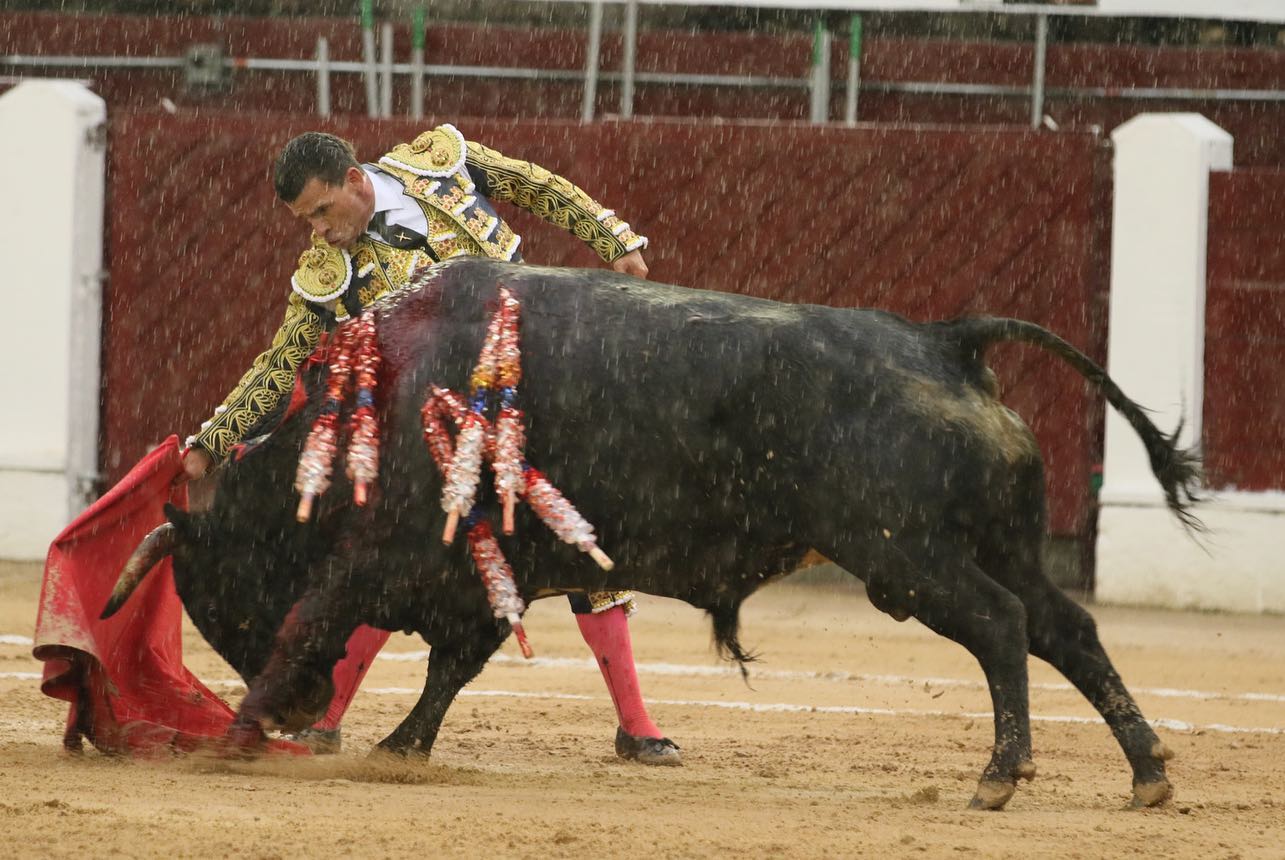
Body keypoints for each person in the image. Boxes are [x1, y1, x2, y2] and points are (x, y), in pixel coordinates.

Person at [178, 126, 679, 765]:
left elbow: (534, 185)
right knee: (393, 565)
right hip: (439, 440)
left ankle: (635, 726)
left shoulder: (440, 163)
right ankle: (326, 720)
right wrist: (211, 443)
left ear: (355, 180)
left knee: (589, 549)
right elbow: (279, 364)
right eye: (305, 221)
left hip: (539, 395)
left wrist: (615, 241)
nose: (319, 232)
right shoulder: (327, 275)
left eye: (323, 212)